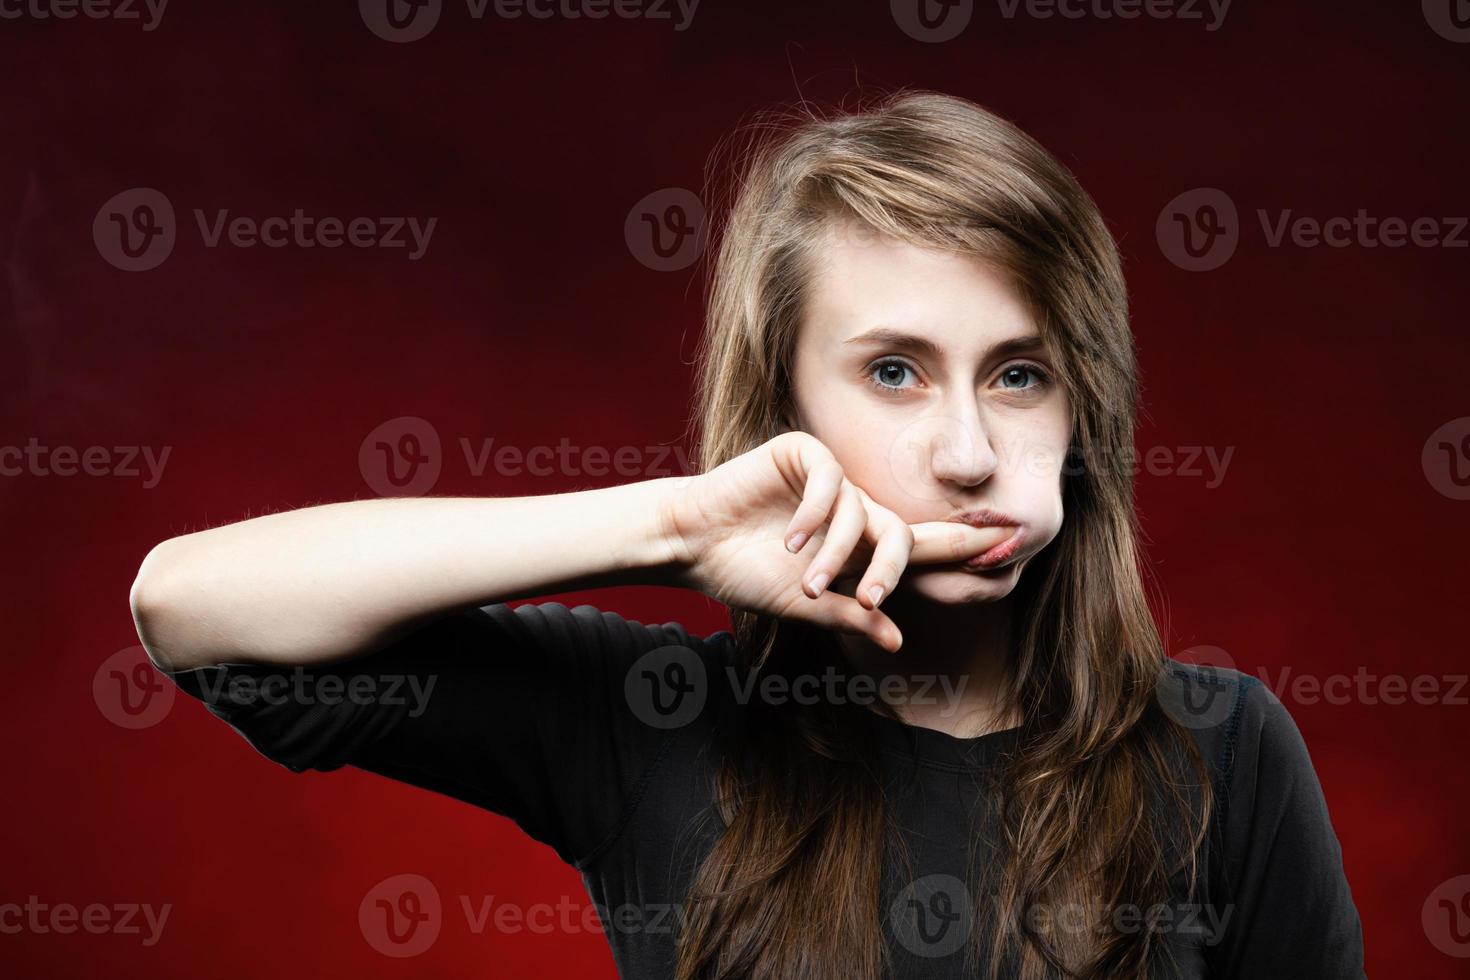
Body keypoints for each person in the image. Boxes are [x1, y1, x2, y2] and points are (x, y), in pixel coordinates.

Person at [128, 89, 1365, 979]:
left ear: (1087, 396)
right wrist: (669, 519)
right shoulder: (657, 719)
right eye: (893, 370)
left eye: (1021, 373)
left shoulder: (1223, 751)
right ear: (786, 409)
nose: (969, 449)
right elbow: (192, 608)